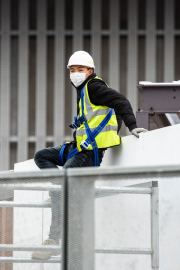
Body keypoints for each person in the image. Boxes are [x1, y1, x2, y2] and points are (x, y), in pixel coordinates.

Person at [31, 50, 147, 260]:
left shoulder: (94, 87)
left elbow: (121, 101)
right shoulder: (83, 90)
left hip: (89, 153)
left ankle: (53, 239)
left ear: (90, 71)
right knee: (42, 156)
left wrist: (132, 126)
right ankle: (58, 189)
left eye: (80, 70)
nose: (75, 74)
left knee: (64, 181)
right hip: (78, 147)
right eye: (72, 70)